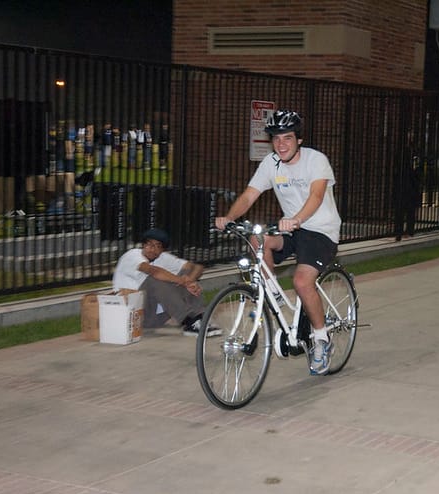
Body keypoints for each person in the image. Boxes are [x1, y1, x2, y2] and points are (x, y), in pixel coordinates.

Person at [215, 109, 342, 375]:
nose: (281, 144)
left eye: (287, 138)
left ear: (299, 140)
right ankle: (271, 294)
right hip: (291, 228)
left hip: (320, 229)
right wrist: (229, 216)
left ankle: (321, 339)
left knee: (301, 281)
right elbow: (249, 196)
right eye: (276, 138)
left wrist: (296, 219)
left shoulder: (315, 160)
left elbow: (317, 196)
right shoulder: (270, 163)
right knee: (257, 238)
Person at [112, 227, 220, 336]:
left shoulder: (162, 258)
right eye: (149, 244)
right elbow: (153, 271)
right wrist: (182, 281)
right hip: (135, 314)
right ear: (143, 245)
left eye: (157, 246)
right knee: (154, 279)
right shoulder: (132, 255)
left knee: (185, 274)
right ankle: (188, 322)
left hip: (157, 317)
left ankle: (201, 318)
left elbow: (197, 267)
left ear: (162, 250)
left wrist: (190, 282)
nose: (152, 249)